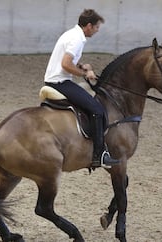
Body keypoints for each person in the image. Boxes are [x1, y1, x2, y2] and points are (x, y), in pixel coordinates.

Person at [44, 9, 119, 168]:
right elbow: (65, 64)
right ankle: (99, 155)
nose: (97, 30)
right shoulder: (77, 39)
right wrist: (84, 74)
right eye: (97, 27)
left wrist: (81, 66)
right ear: (89, 26)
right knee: (97, 110)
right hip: (60, 82)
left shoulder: (71, 34)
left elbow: (66, 60)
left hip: (56, 79)